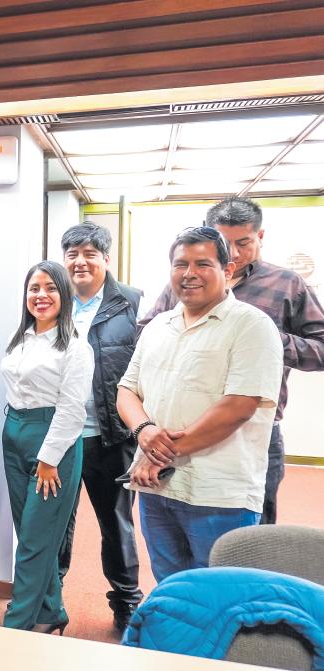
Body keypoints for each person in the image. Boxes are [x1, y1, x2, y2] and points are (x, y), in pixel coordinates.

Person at [139, 197, 324, 525]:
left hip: (250, 432)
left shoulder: (286, 284)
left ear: (260, 236)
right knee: (172, 528)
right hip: (178, 429)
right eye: (225, 243)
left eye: (244, 242)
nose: (234, 254)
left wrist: (267, 340)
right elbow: (145, 334)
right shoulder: (184, 283)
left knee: (249, 537)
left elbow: (320, 349)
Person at [119, 227, 283, 582]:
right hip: (158, 487)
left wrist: (157, 454)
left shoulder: (251, 326)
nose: (189, 273)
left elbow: (238, 406)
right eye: (181, 264)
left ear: (228, 269)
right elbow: (127, 390)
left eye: (202, 264)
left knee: (220, 592)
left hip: (218, 493)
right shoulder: (158, 326)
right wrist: (144, 430)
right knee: (170, 585)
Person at [57, 223, 145, 631]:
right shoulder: (52, 300)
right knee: (56, 523)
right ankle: (48, 598)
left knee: (117, 524)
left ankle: (126, 603)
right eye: (72, 254)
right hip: (61, 437)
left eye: (89, 253)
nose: (80, 261)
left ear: (106, 259)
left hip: (111, 436)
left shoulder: (132, 302)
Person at [1, 260, 94, 634]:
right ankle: (51, 611)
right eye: (34, 288)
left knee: (34, 543)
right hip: (14, 434)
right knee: (30, 533)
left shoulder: (75, 346)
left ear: (65, 294)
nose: (41, 295)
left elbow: (72, 409)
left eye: (50, 288)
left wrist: (49, 459)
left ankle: (16, 625)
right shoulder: (21, 338)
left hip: (52, 445)